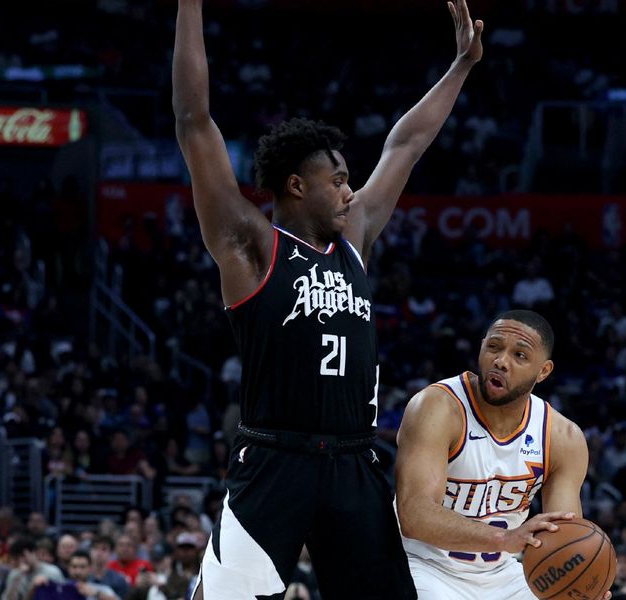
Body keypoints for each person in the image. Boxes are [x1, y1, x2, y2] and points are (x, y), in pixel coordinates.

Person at [171, 0, 483, 597]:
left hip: (352, 462)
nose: (349, 190)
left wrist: (461, 66)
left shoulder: (356, 237)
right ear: (295, 186)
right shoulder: (252, 244)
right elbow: (193, 119)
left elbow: (406, 145)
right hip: (274, 461)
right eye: (337, 179)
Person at [394, 309, 612, 599]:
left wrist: (579, 582)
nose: (500, 361)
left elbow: (563, 537)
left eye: (520, 356)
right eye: (493, 347)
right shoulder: (437, 407)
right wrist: (505, 538)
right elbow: (415, 516)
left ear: (543, 371)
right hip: (424, 566)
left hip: (504, 574)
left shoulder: (562, 437)